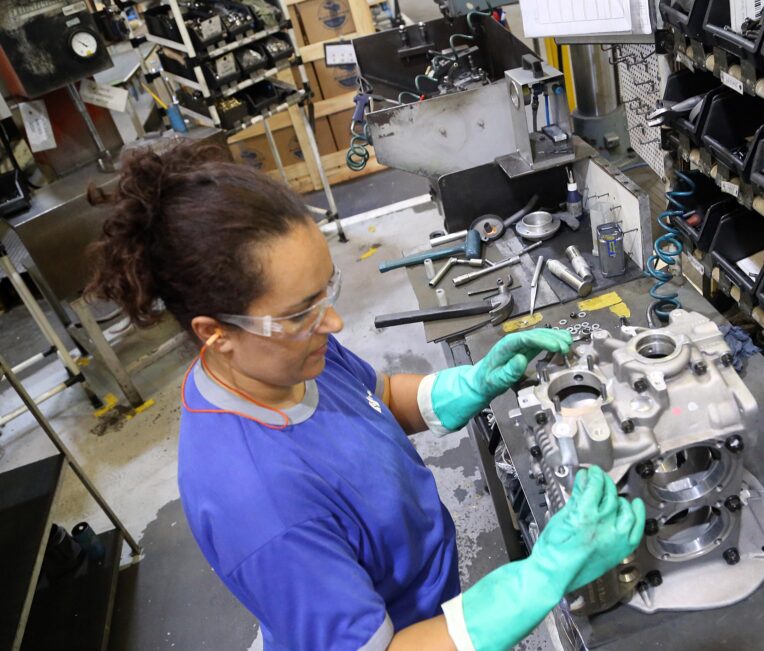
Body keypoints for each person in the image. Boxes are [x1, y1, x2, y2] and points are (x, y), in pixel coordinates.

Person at [86, 143, 645, 651]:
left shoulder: (276, 358)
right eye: (301, 312)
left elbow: (377, 398)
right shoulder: (260, 505)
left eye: (325, 291)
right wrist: (540, 578)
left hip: (428, 602)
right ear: (216, 334)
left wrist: (475, 383)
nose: (332, 322)